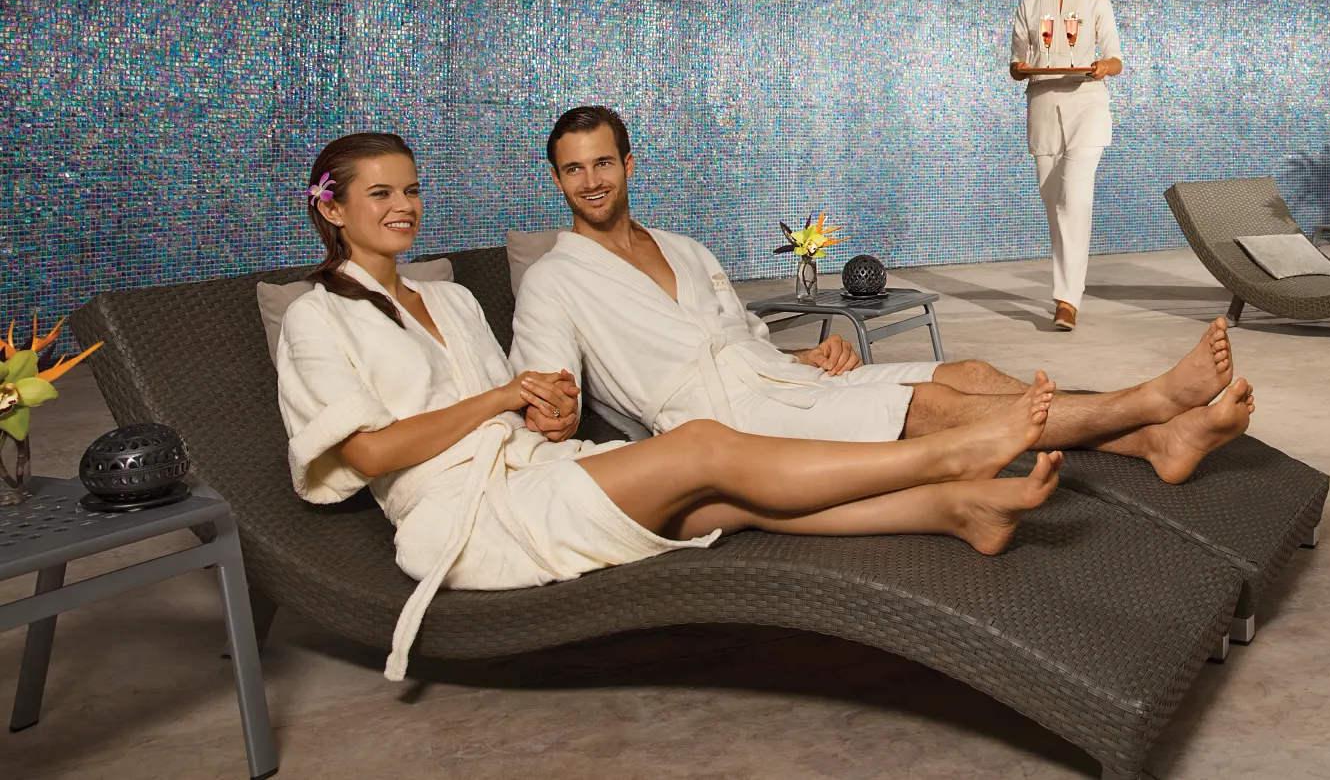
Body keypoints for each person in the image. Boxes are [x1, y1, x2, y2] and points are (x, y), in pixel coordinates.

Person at [275, 132, 1064, 683]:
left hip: (534, 472)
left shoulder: (449, 298)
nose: (404, 205)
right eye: (380, 192)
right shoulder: (319, 314)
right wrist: (503, 397)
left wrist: (542, 413)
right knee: (703, 447)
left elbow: (514, 412)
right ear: (334, 209)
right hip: (469, 519)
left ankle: (955, 507)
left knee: (729, 498)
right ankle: (946, 454)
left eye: (411, 187)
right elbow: (369, 454)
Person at [509, 107, 1255, 486]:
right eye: (573, 169)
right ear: (557, 179)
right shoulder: (553, 280)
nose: (591, 180)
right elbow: (547, 394)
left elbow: (745, 336)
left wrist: (812, 348)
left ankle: (1157, 442)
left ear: (629, 162)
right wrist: (554, 418)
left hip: (778, 379)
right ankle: (1149, 403)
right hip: (726, 421)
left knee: (965, 373)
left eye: (603, 161)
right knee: (933, 410)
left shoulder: (684, 247)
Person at [1008, 0, 1121, 331]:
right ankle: (1067, 293)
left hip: (1086, 107)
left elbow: (1115, 58)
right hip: (1043, 109)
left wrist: (1102, 67)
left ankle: (1066, 301)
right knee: (1055, 209)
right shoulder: (1029, 3)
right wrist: (1020, 68)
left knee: (1075, 200)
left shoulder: (1096, 2)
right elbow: (1017, 58)